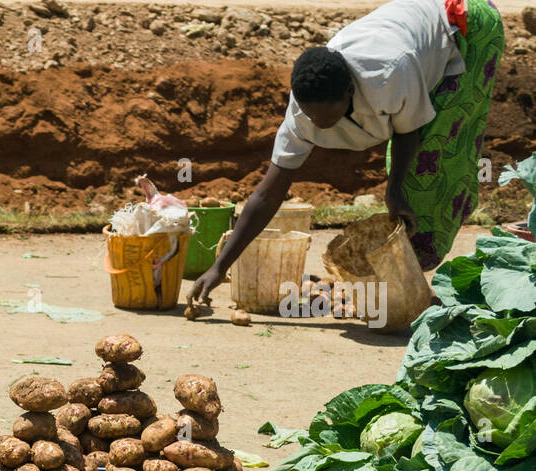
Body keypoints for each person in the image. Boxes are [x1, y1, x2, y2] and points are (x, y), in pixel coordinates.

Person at [188, 0, 506, 306]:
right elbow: (267, 194)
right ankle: (397, 286)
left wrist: (394, 190)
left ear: (351, 91)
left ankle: (408, 283)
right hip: (419, 36)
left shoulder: (388, 74)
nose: (321, 124)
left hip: (465, 26)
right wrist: (220, 266)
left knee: (434, 162)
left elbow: (409, 131)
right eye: (313, 116)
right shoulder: (301, 112)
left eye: (330, 114)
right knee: (409, 174)